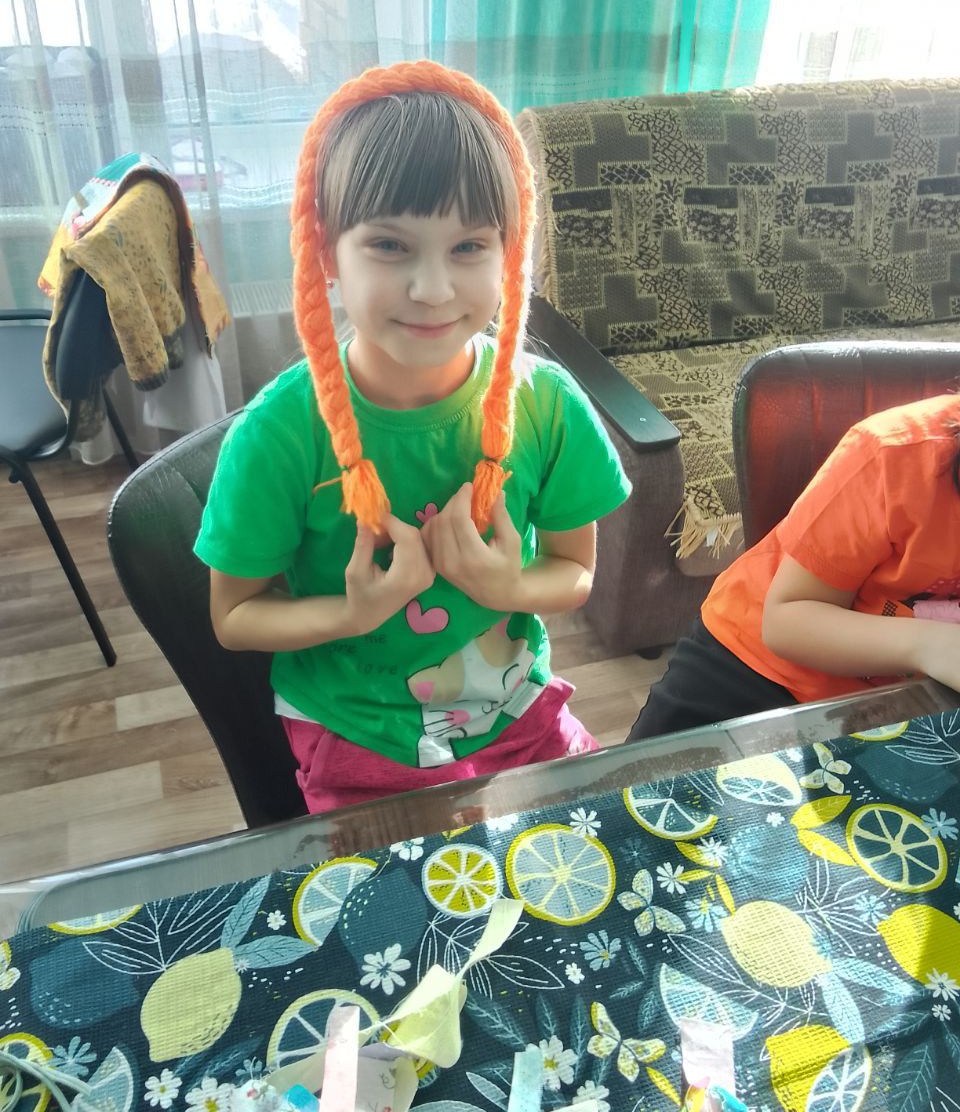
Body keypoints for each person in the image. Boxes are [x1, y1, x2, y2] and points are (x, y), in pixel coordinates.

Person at [195, 60, 631, 812]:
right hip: (357, 731)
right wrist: (354, 612)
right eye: (390, 246)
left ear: (510, 252)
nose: (433, 290)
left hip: (519, 712)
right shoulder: (278, 437)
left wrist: (505, 588)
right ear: (326, 253)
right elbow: (234, 617)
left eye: (469, 247)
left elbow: (574, 570)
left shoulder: (547, 406)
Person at [627, 394, 960, 742]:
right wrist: (932, 645)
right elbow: (786, 621)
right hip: (755, 663)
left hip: (905, 699)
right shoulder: (894, 454)